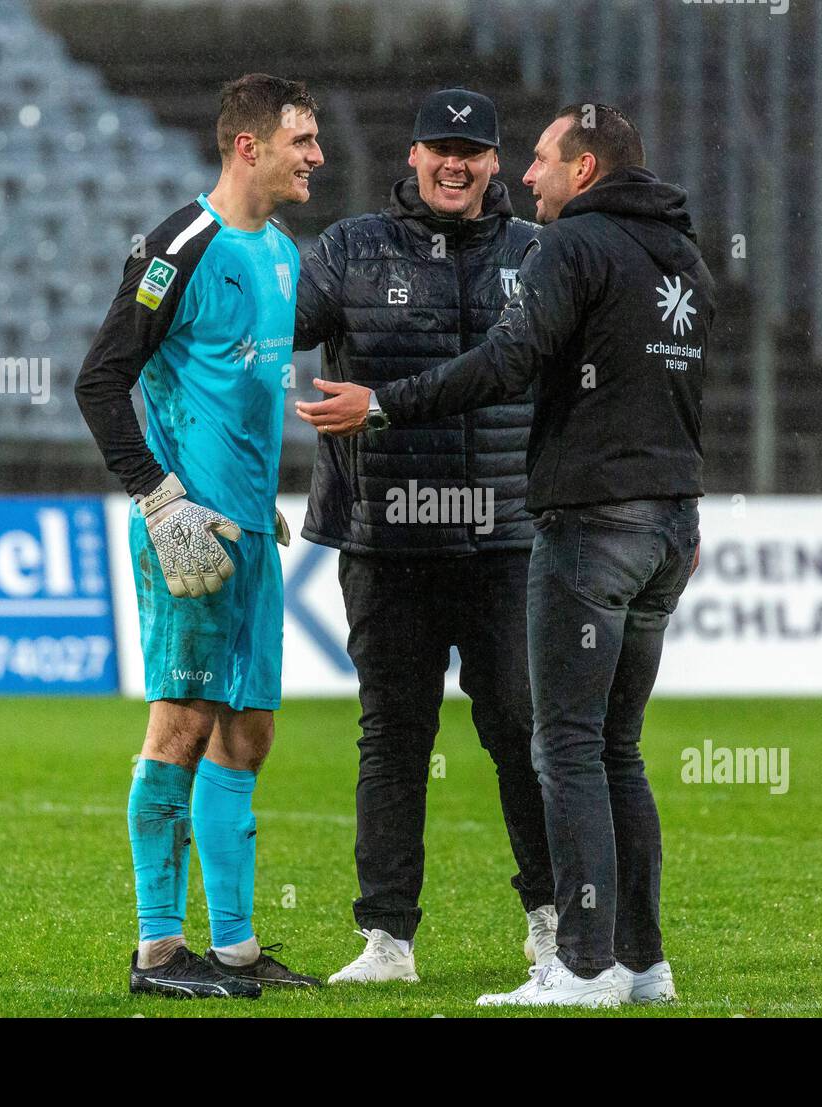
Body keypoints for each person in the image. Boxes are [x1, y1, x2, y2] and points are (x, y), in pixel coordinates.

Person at [296, 103, 714, 1008]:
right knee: (608, 748)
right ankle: (636, 963)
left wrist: (382, 404)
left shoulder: (558, 246)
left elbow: (510, 360)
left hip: (557, 528)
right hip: (645, 519)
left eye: (526, 157)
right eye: (447, 149)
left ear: (586, 169)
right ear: (412, 155)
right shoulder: (679, 252)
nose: (522, 173)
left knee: (556, 743)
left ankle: (580, 957)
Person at [293, 88, 556, 984]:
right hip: (385, 538)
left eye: (473, 149)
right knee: (394, 735)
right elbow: (263, 331)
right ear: (411, 154)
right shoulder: (347, 250)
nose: (456, 162)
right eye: (441, 146)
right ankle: (387, 939)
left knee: (522, 730)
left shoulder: (538, 254)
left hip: (507, 537)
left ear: (495, 160)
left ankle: (551, 919)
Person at [76, 73, 324, 998]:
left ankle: (234, 949)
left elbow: (245, 399)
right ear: (247, 146)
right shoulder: (179, 246)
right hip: (186, 532)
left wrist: (261, 502)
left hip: (251, 533)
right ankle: (155, 951)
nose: (318, 156)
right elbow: (99, 380)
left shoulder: (285, 255)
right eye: (302, 138)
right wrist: (157, 495)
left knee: (248, 733)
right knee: (178, 726)